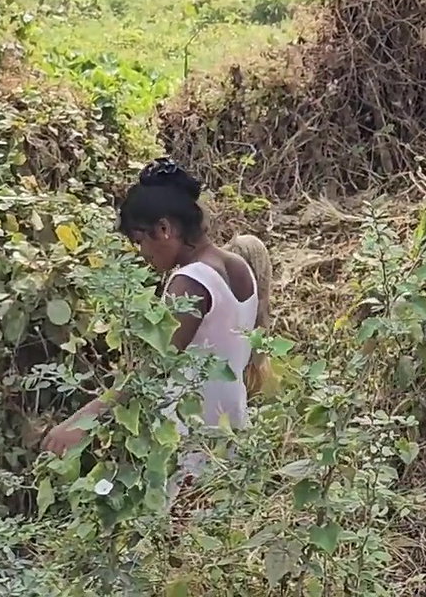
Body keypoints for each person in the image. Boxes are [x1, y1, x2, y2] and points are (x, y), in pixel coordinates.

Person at [41, 158, 261, 503]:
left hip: (192, 441)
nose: (142, 253)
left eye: (140, 240)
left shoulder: (190, 281)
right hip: (231, 426)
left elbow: (152, 372)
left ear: (163, 229)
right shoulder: (238, 266)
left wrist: (80, 422)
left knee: (182, 542)